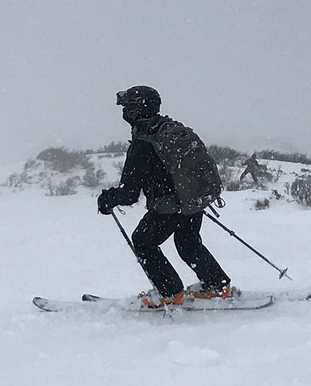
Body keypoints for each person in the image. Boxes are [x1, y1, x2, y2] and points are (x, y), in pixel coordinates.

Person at [95, 85, 234, 307]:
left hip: (170, 204)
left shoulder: (144, 142)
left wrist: (108, 199)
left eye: (127, 107)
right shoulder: (169, 129)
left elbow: (130, 193)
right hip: (192, 200)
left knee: (143, 242)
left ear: (135, 110)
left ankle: (171, 294)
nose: (124, 112)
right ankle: (218, 286)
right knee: (188, 244)